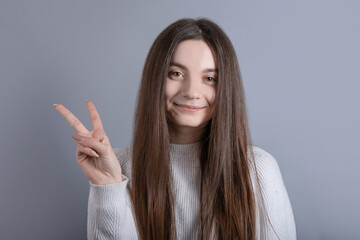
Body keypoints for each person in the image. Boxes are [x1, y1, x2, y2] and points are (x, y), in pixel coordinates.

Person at [54, 17, 296, 240]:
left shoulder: (257, 169)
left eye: (210, 78)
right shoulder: (119, 167)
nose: (191, 92)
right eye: (177, 73)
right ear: (156, 79)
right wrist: (107, 186)